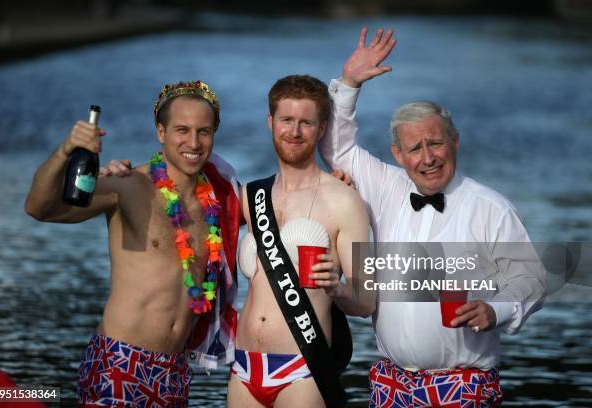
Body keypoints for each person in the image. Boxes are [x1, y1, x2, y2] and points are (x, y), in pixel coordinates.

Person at [319, 28, 546, 407]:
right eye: (415, 148)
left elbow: (530, 279)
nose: (428, 158)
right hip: (391, 385)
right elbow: (335, 148)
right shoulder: (384, 186)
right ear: (398, 154)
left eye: (436, 143)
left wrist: (496, 309)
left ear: (455, 142)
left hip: (464, 387)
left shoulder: (491, 207)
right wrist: (348, 85)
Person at [24, 80, 240, 406]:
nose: (193, 142)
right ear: (161, 132)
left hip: (174, 371)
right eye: (182, 129)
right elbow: (39, 208)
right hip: (119, 362)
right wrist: (66, 150)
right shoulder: (129, 186)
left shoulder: (222, 200)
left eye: (204, 131)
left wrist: (337, 180)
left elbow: (280, 208)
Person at [227, 75, 372, 408]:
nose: (294, 132)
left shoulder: (345, 201)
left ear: (321, 129)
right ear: (270, 122)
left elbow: (368, 300)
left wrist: (337, 288)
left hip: (303, 370)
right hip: (244, 369)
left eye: (306, 123)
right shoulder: (250, 196)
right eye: (286, 120)